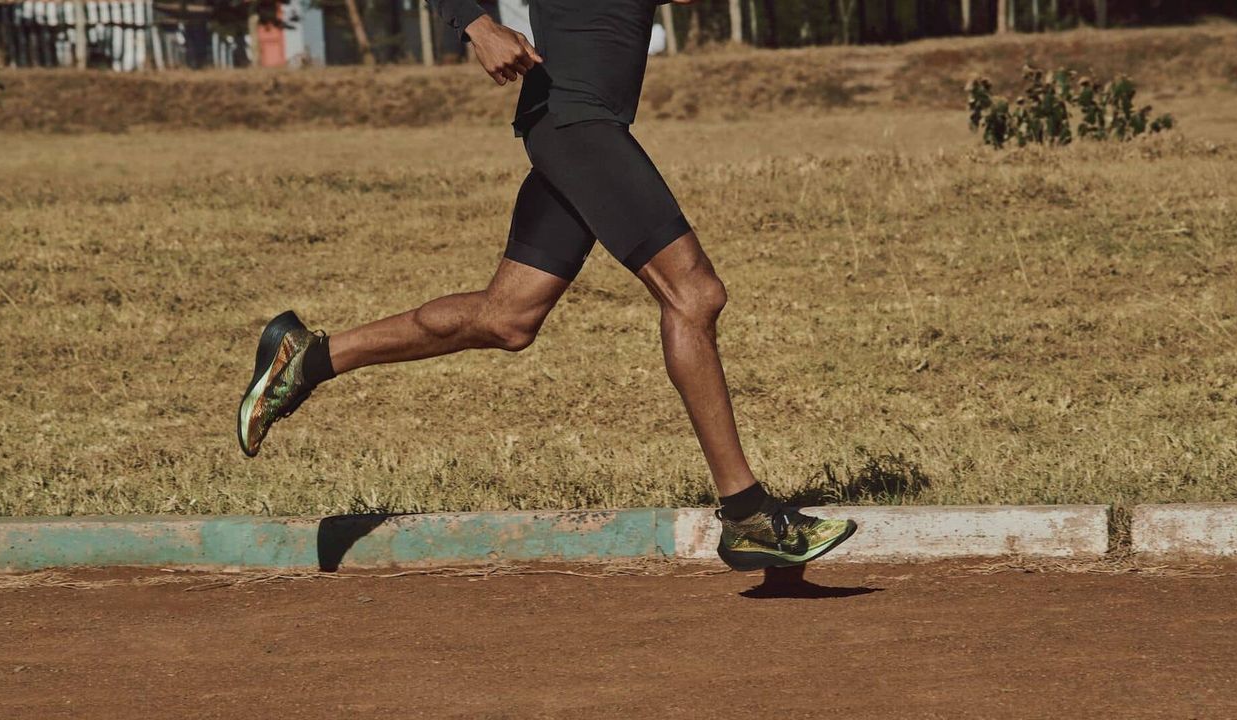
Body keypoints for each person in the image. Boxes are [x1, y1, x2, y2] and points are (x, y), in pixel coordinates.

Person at [236, 0, 856, 571]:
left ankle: (310, 358)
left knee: (508, 317)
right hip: (576, 123)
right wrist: (476, 24)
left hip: (576, 124)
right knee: (694, 294)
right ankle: (748, 514)